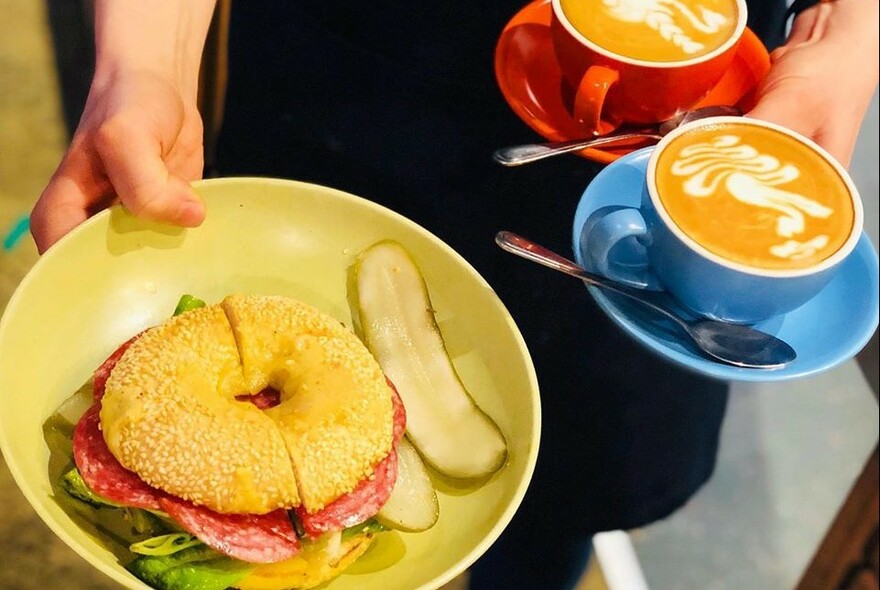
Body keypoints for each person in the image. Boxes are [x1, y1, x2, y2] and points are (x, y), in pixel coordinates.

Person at [29, 1, 878, 588]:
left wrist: (846, 36)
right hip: (357, 82)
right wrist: (146, 64)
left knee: (567, 485)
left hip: (678, 162)